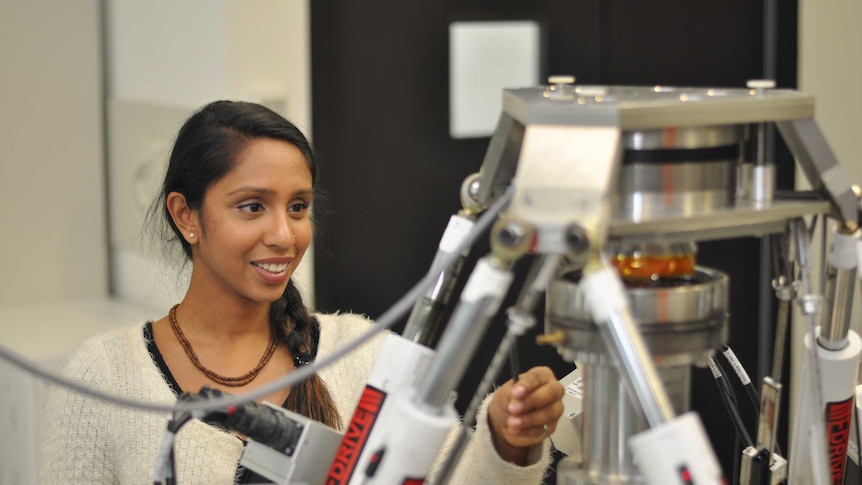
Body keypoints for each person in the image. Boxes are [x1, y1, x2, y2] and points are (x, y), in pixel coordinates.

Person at [39, 100, 564, 484]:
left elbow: (456, 478)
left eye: (297, 206)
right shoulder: (103, 378)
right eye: (252, 206)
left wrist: (505, 438)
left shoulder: (362, 352)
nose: (285, 236)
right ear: (186, 216)